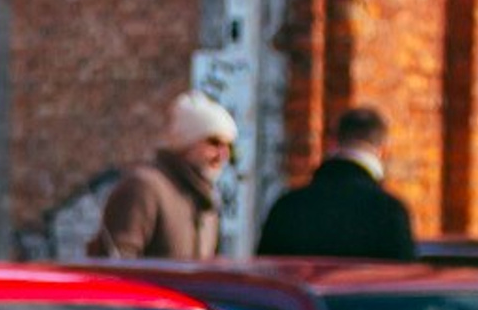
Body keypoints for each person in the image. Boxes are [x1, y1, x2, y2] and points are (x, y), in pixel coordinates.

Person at [89, 91, 238, 261]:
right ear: (186, 142)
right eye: (214, 142)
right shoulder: (144, 187)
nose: (222, 155)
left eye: (229, 147)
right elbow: (116, 268)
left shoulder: (206, 200)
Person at [257, 105, 419, 259]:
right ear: (383, 150)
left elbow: (264, 279)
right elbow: (401, 280)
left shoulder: (288, 206)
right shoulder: (389, 212)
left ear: (333, 143)